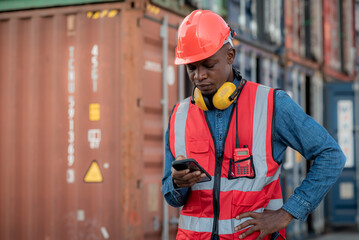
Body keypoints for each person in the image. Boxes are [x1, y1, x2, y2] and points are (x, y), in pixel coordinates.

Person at [161, 10, 345, 240]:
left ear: (230, 55)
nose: (199, 76)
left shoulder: (271, 105)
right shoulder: (180, 115)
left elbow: (331, 155)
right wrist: (178, 184)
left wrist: (288, 213)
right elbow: (171, 197)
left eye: (208, 65)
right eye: (191, 68)